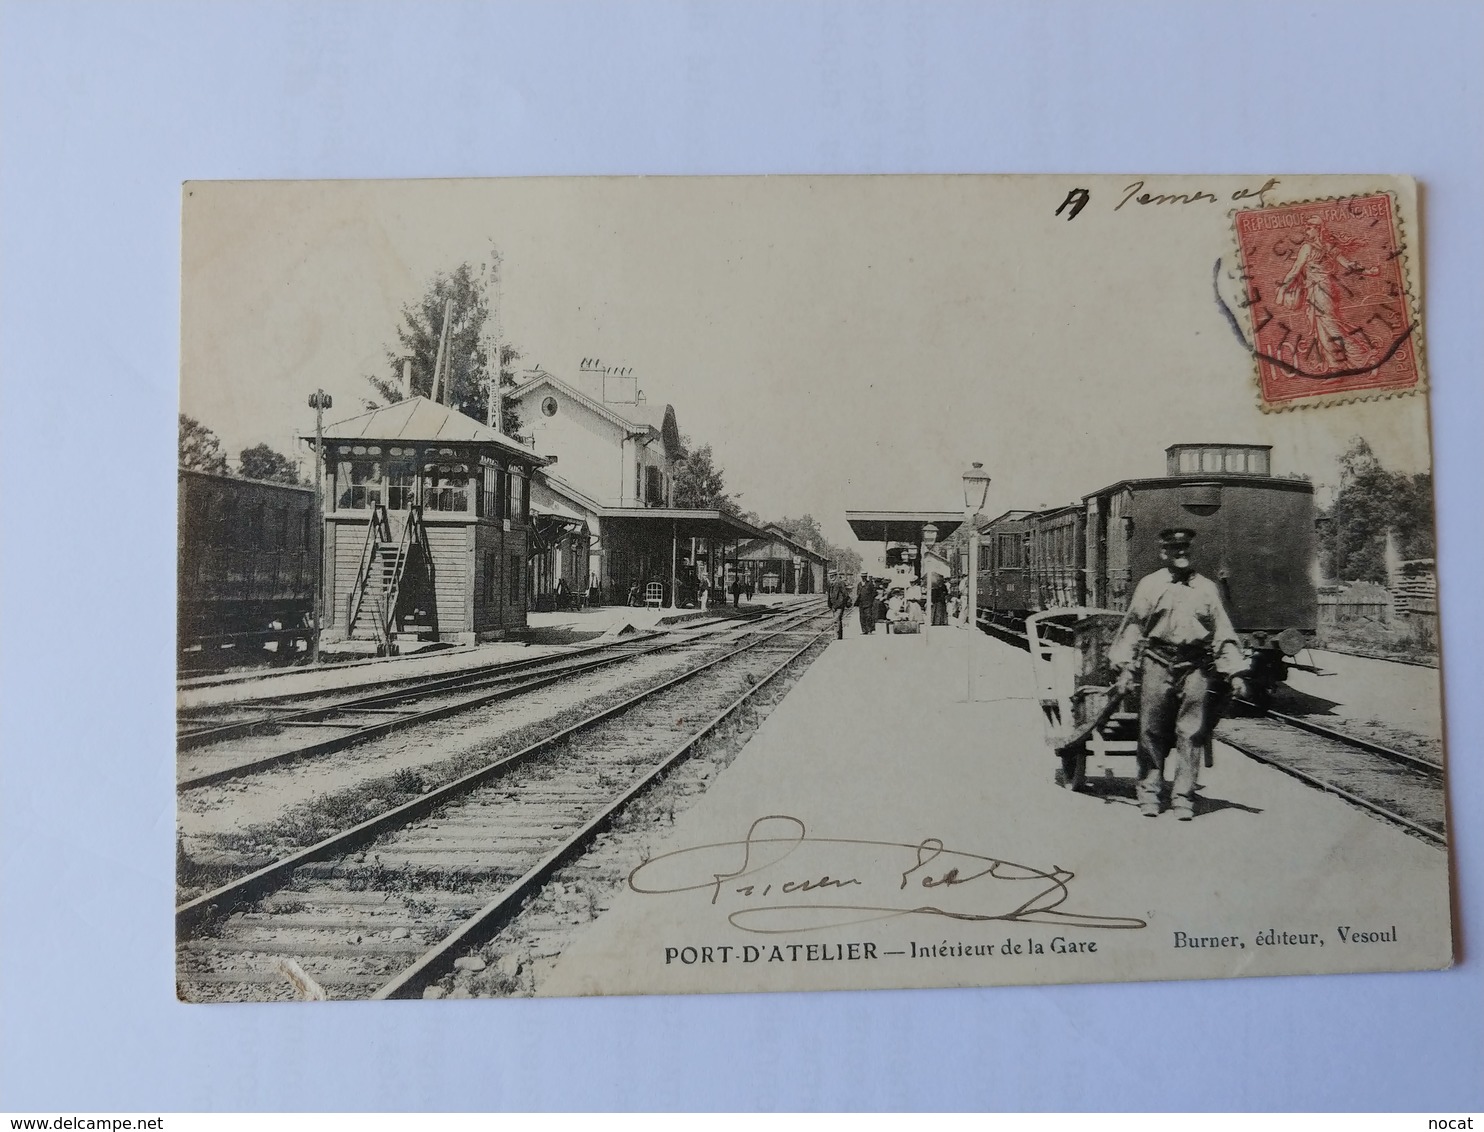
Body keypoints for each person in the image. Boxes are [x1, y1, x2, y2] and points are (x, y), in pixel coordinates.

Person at [1108, 528, 1248, 820]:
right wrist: (1124, 667)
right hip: (1157, 661)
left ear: (1190, 551)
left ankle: (1183, 797)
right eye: (1174, 548)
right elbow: (1133, 626)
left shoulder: (1207, 588)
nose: (1180, 553)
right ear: (1164, 553)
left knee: (1191, 731)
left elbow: (1222, 631)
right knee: (1151, 729)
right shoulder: (1150, 584)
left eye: (1185, 548)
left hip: (1195, 665)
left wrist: (1235, 672)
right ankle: (1149, 794)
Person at [827, 572, 853, 639]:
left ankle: (837, 636)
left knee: (836, 620)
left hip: (839, 604)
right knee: (837, 620)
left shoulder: (840, 583)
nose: (831, 578)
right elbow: (829, 594)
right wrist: (830, 604)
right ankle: (839, 636)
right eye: (830, 576)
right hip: (834, 605)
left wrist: (842, 602)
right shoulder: (831, 583)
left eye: (832, 576)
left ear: (835, 576)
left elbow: (845, 593)